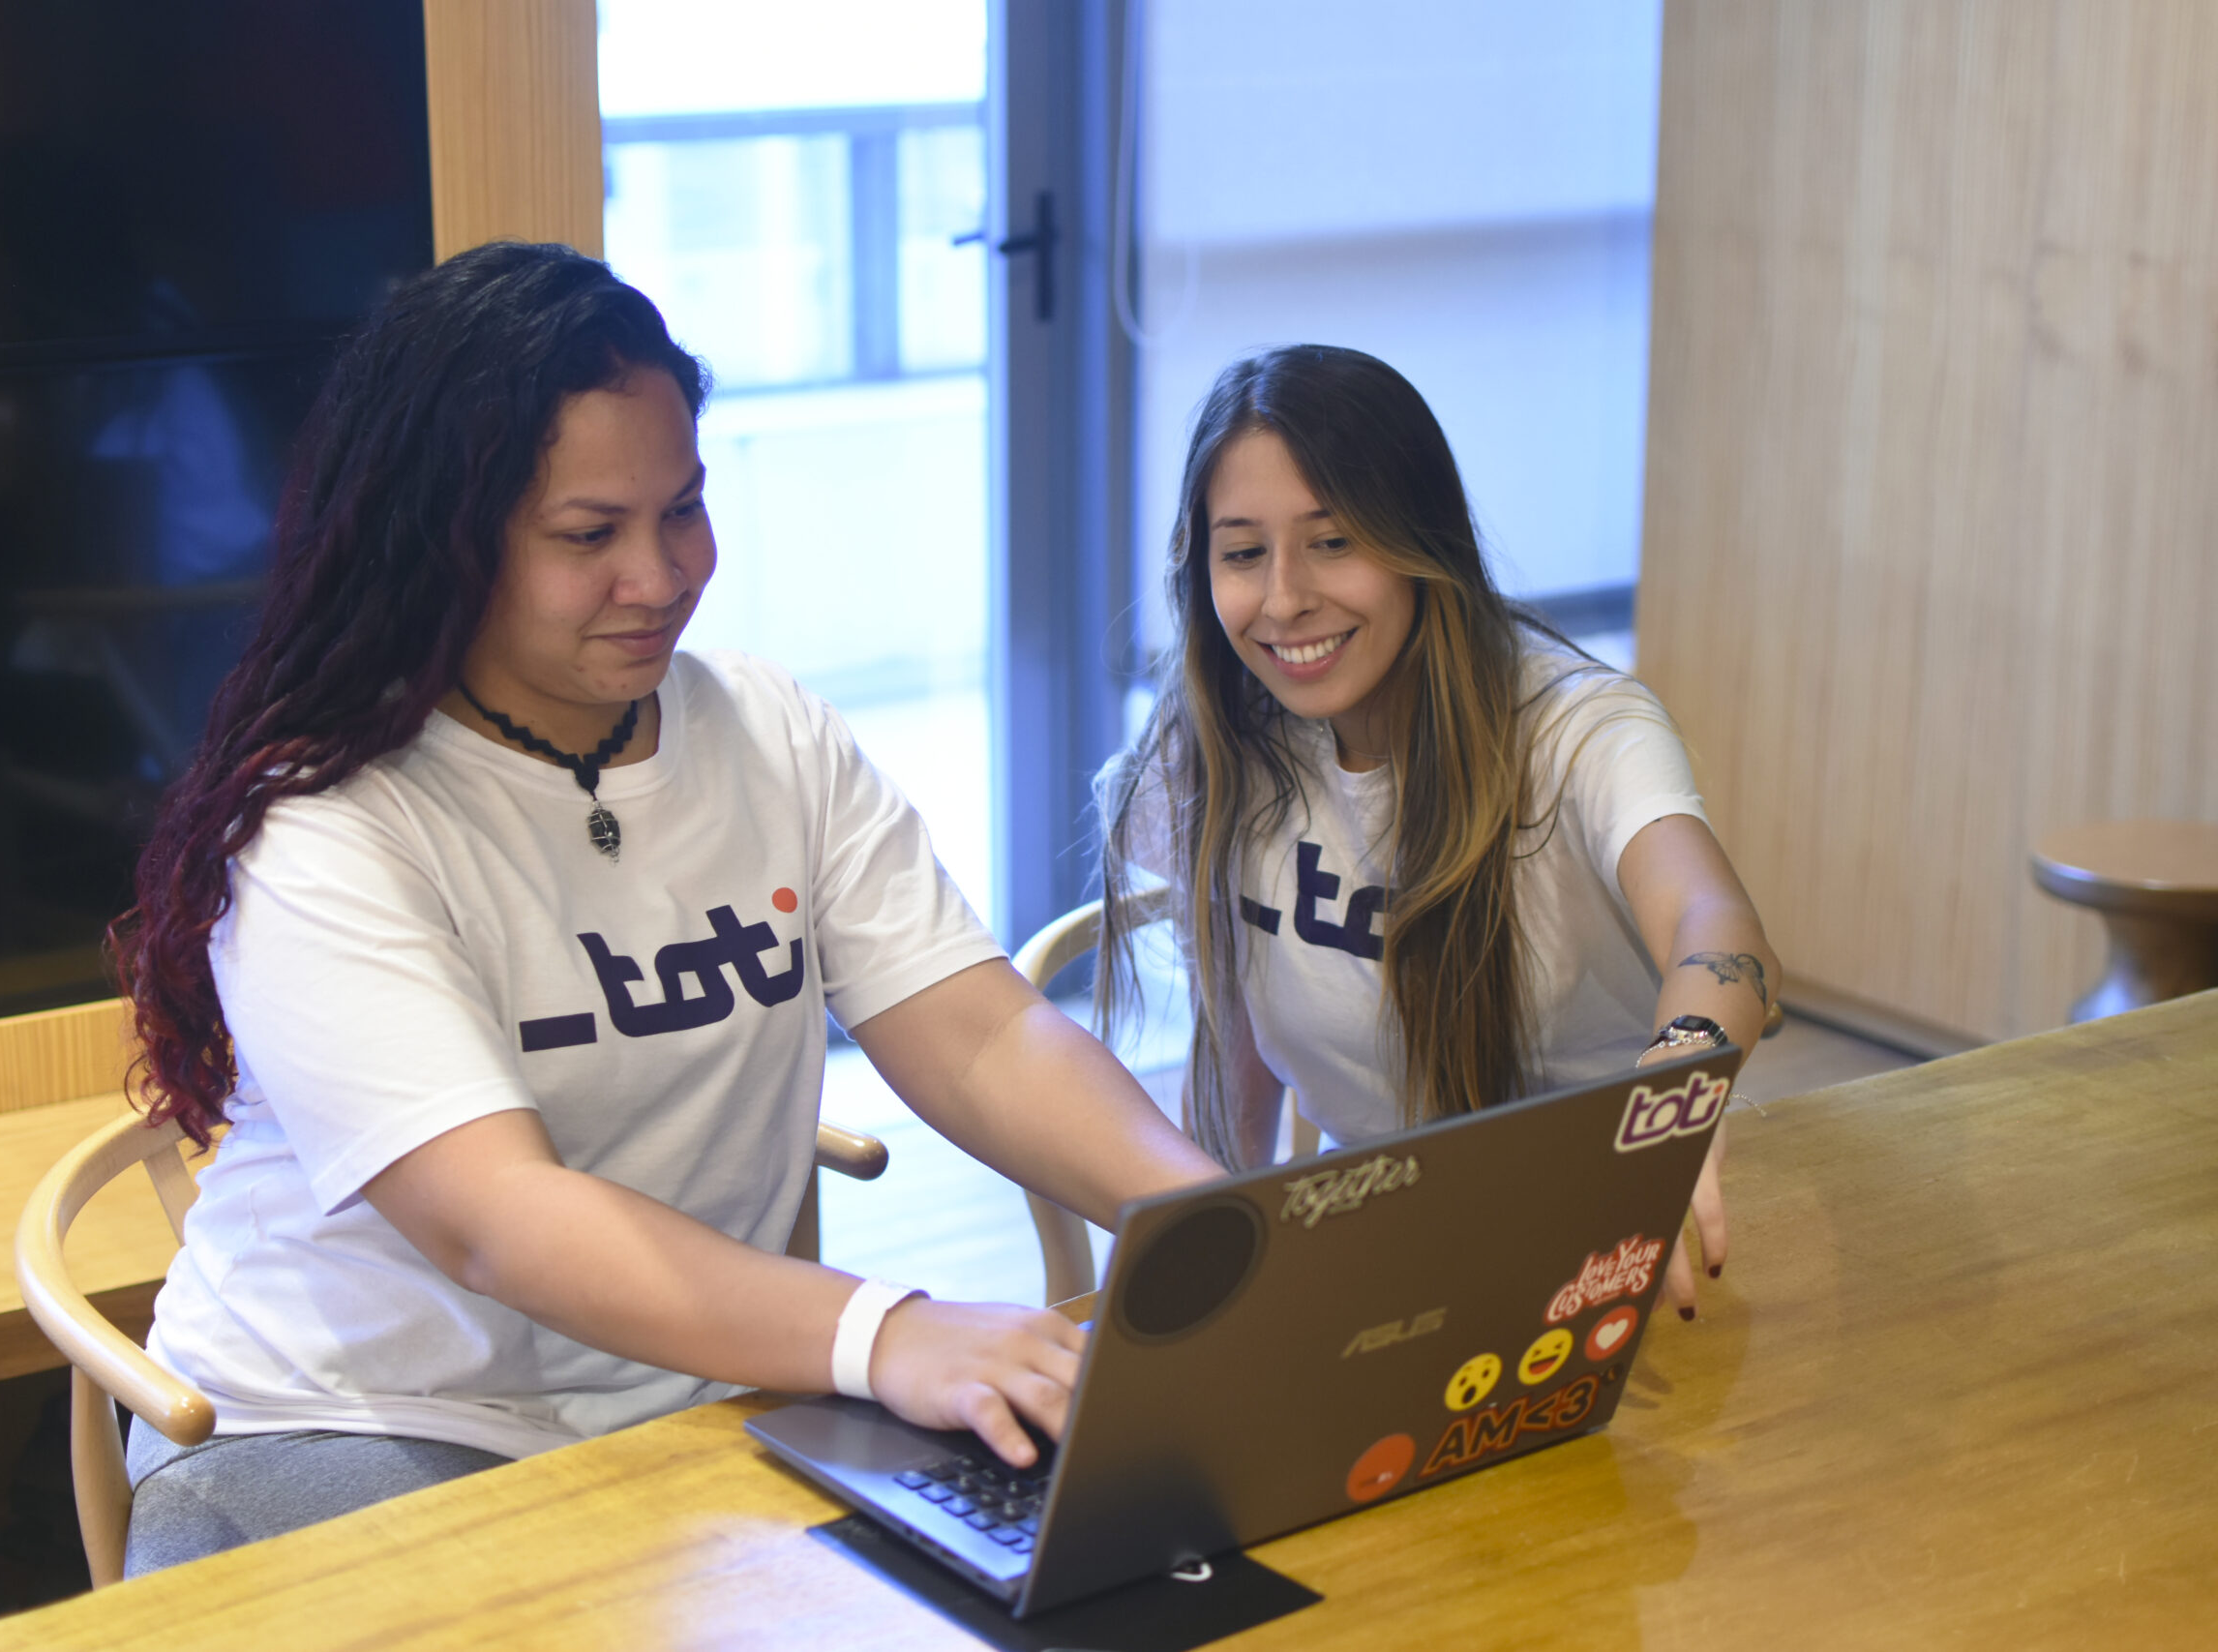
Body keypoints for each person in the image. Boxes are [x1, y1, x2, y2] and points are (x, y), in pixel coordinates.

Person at [110, 243, 1222, 1577]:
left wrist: (1216, 1216)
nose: (661, 575)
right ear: (442, 541)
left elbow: (979, 1035)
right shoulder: (325, 818)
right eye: (589, 535)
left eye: (682, 509)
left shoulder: (769, 729)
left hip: (693, 1400)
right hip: (350, 1422)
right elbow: (499, 1215)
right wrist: (886, 1330)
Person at [1096, 345, 1779, 1316]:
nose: (1284, 598)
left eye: (1332, 542)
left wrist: (1677, 1090)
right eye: (1243, 552)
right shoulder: (1211, 744)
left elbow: (1714, 917)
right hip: (1378, 1267)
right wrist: (1216, 1255)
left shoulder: (1576, 726)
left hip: (1622, 1254)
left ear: (1422, 542)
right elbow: (1239, 1027)